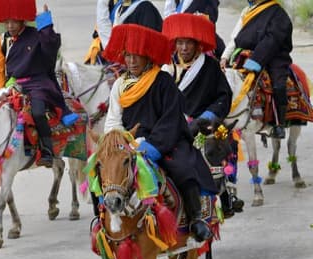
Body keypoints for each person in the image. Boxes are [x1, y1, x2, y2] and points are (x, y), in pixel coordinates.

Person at [103, 24, 217, 242]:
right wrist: (120, 144)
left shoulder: (162, 81)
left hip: (165, 140)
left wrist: (150, 146)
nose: (132, 62)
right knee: (102, 173)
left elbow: (171, 119)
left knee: (184, 168)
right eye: (128, 56)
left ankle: (195, 220)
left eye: (137, 56)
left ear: (148, 57)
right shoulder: (119, 84)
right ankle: (105, 223)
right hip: (128, 144)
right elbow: (113, 120)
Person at [163, 13, 238, 216]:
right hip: (172, 126)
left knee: (214, 149)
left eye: (188, 43)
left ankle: (224, 195)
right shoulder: (166, 68)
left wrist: (206, 117)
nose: (184, 48)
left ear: (197, 45)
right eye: (180, 43)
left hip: (203, 125)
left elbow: (223, 97)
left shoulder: (210, 67)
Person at [0, 0, 79, 168]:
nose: (10, 25)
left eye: (14, 21)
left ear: (22, 20)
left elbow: (51, 46)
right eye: (6, 22)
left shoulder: (36, 35)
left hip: (37, 83)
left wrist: (45, 23)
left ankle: (47, 150)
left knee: (38, 112)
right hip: (13, 85)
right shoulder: (2, 41)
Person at [220, 0, 293, 139]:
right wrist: (225, 56)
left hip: (274, 56)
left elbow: (272, 40)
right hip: (245, 54)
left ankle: (278, 124)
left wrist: (256, 60)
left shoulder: (279, 14)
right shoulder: (247, 11)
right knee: (228, 79)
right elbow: (235, 38)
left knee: (278, 85)